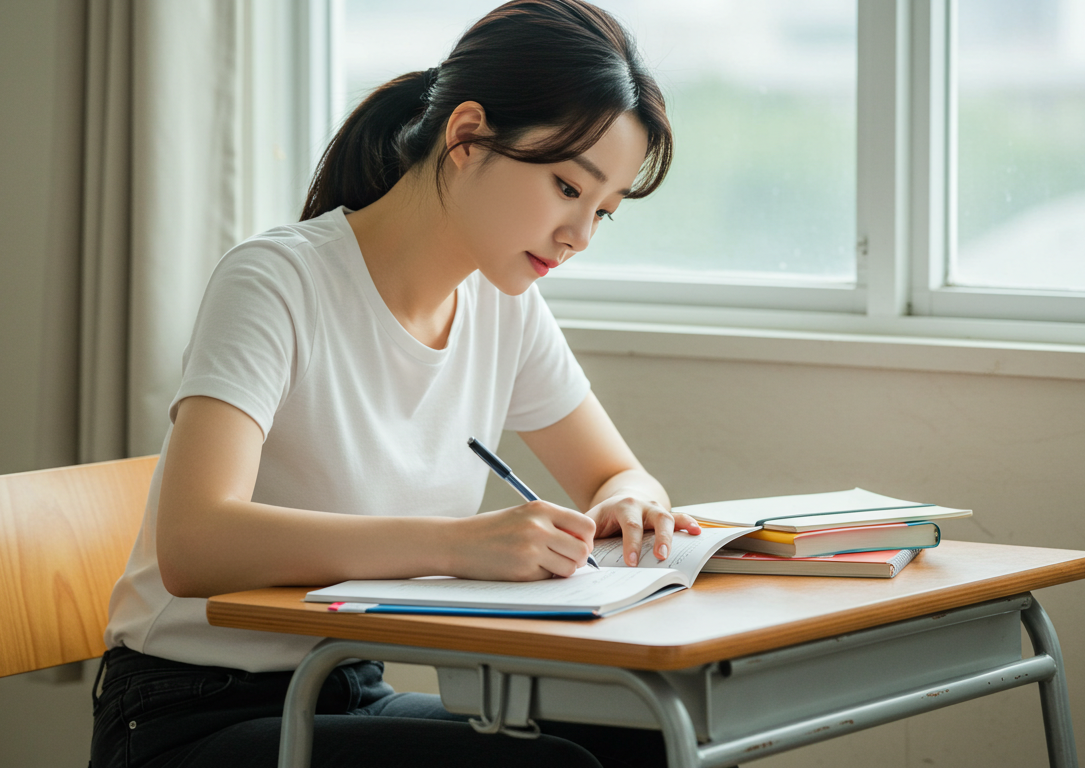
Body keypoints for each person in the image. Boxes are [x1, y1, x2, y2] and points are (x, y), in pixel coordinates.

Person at [90, 2, 697, 766]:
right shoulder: (278, 281)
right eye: (568, 189)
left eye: (604, 212)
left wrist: (628, 503)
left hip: (342, 690)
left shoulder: (503, 305)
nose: (579, 236)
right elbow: (194, 542)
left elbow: (615, 471)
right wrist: (457, 547)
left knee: (649, 740)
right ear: (467, 136)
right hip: (187, 715)